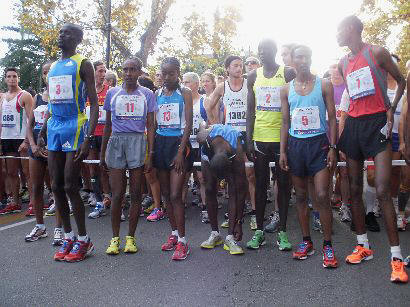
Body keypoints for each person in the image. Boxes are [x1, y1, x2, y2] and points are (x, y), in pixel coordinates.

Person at [337, 15, 407, 283]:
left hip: (377, 122)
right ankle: (363, 245)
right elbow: (353, 98)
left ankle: (396, 258)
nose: (336, 35)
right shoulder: (343, 63)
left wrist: (391, 108)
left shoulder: (377, 52)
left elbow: (401, 81)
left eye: (339, 30)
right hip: (354, 126)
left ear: (352, 28)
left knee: (382, 191)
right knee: (354, 189)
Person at [37, 23, 99, 262]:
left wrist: (88, 137)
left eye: (68, 33)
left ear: (78, 39)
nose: (62, 36)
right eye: (61, 32)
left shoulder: (83, 64)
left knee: (70, 185)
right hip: (54, 126)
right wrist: (43, 129)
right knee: (55, 186)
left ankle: (84, 240)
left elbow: (93, 103)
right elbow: (52, 103)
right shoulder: (52, 67)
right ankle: (68, 236)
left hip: (75, 125)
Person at [279, 45, 338, 268]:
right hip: (296, 146)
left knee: (322, 196)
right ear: (292, 61)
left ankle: (328, 244)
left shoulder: (324, 85)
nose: (303, 61)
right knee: (301, 196)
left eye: (306, 57)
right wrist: (283, 151)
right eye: (298, 57)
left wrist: (333, 146)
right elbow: (285, 122)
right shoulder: (286, 89)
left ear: (311, 59)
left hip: (319, 145)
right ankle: (306, 241)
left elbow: (332, 118)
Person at [100, 57, 156, 255]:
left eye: (133, 69)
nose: (129, 73)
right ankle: (115, 238)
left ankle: (130, 238)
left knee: (136, 194)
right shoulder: (112, 93)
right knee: (117, 194)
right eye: (126, 69)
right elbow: (107, 125)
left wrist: (151, 153)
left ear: (139, 72)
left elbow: (150, 125)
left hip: (138, 142)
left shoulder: (147, 94)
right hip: (116, 141)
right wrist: (102, 153)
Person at [245, 39, 296, 251]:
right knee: (260, 186)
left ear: (275, 51)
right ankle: (259, 232)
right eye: (260, 51)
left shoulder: (287, 73)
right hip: (260, 138)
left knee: (283, 185)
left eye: (266, 50)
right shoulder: (253, 76)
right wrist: (248, 139)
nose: (262, 54)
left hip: (282, 138)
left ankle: (283, 231)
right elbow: (250, 110)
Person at [207, 55, 257, 230]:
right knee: (232, 176)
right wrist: (216, 125)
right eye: (235, 65)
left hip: (247, 132)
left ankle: (254, 212)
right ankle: (234, 213)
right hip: (230, 135)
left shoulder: (248, 84)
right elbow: (209, 105)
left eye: (241, 65)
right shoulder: (222, 87)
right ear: (227, 68)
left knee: (250, 174)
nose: (239, 68)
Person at [155, 57, 193, 261]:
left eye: (171, 73)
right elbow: (153, 122)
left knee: (177, 194)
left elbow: (188, 124)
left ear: (178, 73)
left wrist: (180, 151)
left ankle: (184, 241)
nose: (167, 77)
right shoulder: (157, 94)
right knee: (166, 195)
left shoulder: (184, 93)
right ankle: (174, 233)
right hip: (161, 143)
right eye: (164, 73)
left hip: (178, 144)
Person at [24, 62, 64, 245]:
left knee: (57, 188)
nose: (47, 75)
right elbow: (30, 126)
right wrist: (32, 145)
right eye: (44, 72)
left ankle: (59, 228)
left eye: (50, 72)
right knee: (37, 187)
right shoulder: (37, 97)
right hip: (36, 150)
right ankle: (40, 226)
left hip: (55, 148)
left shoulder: (62, 96)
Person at [198, 123, 247, 254]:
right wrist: (206, 127)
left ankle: (230, 237)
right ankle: (215, 234)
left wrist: (239, 222)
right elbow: (201, 125)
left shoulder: (237, 150)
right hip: (209, 150)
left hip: (228, 151)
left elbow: (242, 192)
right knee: (209, 188)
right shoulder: (204, 139)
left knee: (234, 190)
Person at [0, 67, 33, 215]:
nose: (12, 79)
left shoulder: (24, 95)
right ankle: (15, 202)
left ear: (18, 78)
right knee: (11, 172)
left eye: (14, 76)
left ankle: (33, 202)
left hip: (21, 138)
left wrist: (27, 140)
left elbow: (31, 120)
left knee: (27, 172)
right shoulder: (2, 97)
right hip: (7, 138)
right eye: (9, 76)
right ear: (5, 79)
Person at [87, 60, 111, 219]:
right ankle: (98, 200)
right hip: (90, 134)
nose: (102, 74)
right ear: (93, 72)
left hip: (106, 134)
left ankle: (111, 198)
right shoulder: (86, 90)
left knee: (106, 167)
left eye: (104, 71)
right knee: (93, 169)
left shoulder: (110, 91)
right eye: (100, 71)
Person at [182, 72, 208, 219]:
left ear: (196, 84)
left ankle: (206, 208)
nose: (184, 86)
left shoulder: (204, 101)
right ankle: (181, 205)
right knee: (183, 177)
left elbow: (210, 121)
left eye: (187, 83)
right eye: (183, 82)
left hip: (200, 144)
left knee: (202, 178)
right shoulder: (181, 100)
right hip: (186, 144)